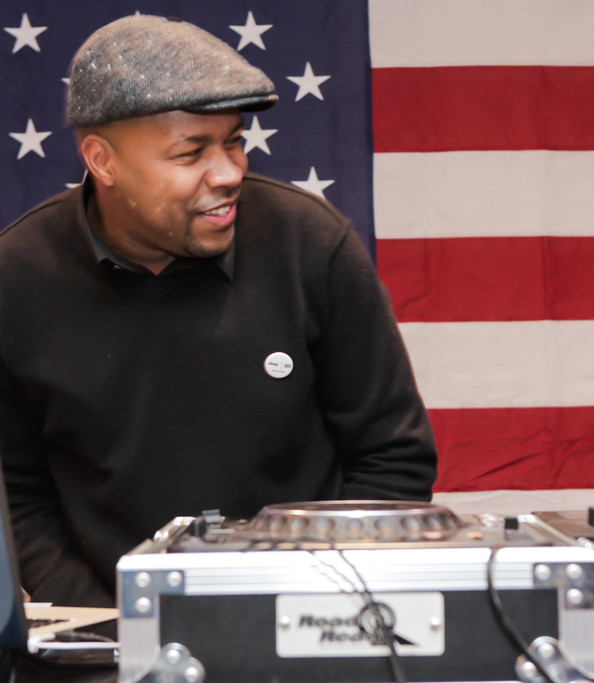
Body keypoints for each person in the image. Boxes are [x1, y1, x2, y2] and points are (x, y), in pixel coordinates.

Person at [0, 15, 437, 608]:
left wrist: (305, 612)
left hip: (308, 617)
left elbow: (392, 459)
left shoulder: (310, 243)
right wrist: (113, 628)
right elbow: (17, 495)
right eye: (191, 153)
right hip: (112, 631)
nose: (230, 172)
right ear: (102, 162)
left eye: (233, 141)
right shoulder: (16, 277)